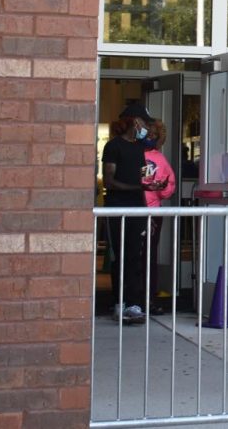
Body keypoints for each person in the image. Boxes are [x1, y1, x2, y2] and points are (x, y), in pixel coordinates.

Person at [102, 102, 155, 325]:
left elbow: (143, 177)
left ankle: (134, 303)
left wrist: (149, 188)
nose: (146, 127)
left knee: (135, 255)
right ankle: (119, 303)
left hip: (137, 207)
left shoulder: (139, 148)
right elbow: (109, 181)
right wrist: (138, 188)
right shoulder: (113, 146)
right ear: (134, 121)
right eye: (143, 122)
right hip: (118, 206)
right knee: (120, 256)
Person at [141, 119, 176, 315]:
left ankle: (142, 298)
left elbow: (151, 184)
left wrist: (155, 187)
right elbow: (163, 189)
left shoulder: (148, 157)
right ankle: (147, 299)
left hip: (144, 210)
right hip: (150, 211)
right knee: (147, 256)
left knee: (141, 256)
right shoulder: (157, 159)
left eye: (152, 135)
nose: (150, 138)